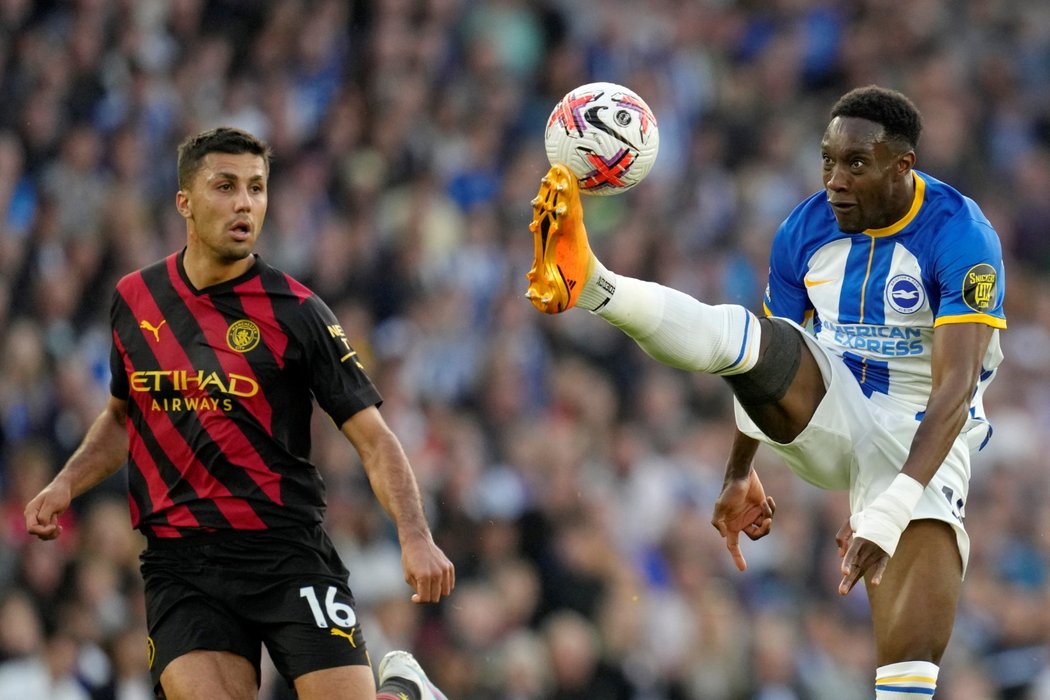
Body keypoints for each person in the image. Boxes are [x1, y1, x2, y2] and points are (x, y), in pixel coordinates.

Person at [525, 85, 1005, 697]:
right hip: (831, 401)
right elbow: (763, 357)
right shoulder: (803, 230)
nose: (835, 180)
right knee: (746, 333)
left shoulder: (963, 235)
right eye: (828, 161)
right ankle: (591, 283)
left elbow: (955, 389)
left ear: (902, 166)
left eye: (856, 165)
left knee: (908, 658)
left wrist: (886, 510)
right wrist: (738, 472)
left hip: (925, 434)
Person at [24, 127, 455, 700]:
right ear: (184, 202)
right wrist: (64, 484)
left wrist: (415, 536)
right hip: (180, 562)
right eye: (225, 187)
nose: (244, 203)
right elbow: (126, 416)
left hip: (284, 551)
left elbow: (373, 439)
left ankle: (403, 690)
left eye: (256, 188)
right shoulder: (134, 298)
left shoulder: (297, 312)